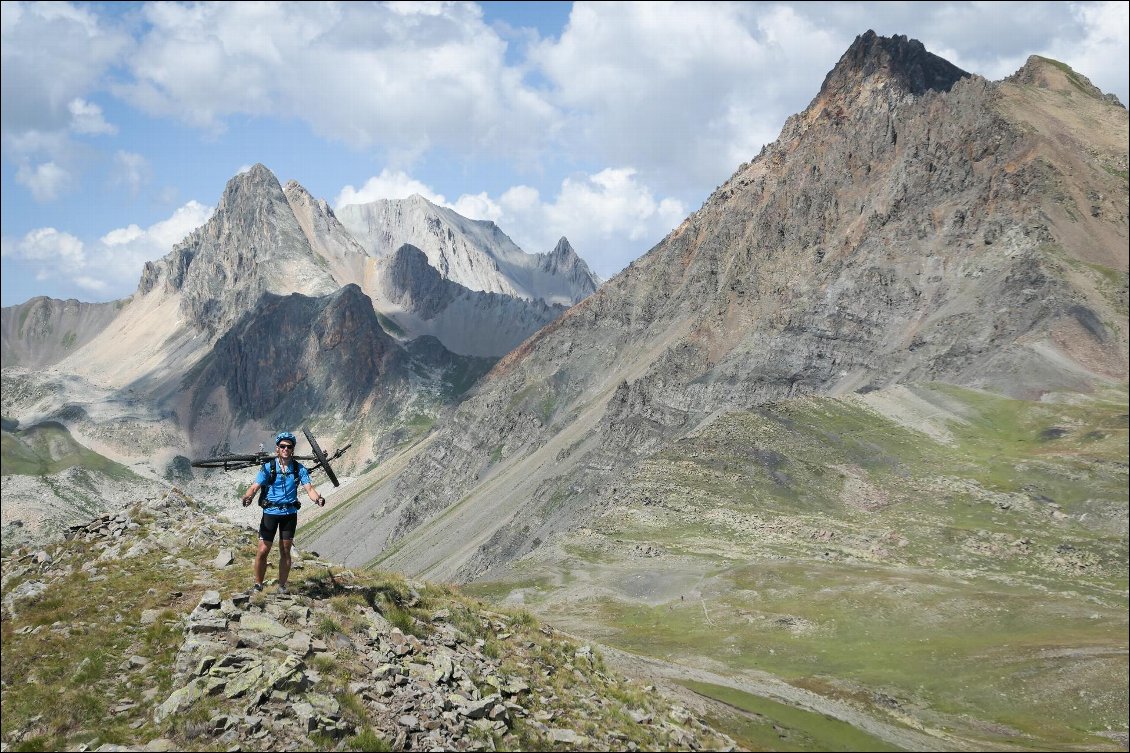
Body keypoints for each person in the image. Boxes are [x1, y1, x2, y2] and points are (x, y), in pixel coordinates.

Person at [240, 431, 326, 593]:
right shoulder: (268, 467)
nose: (285, 449)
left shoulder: (299, 469)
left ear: (293, 449)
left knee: (286, 550)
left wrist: (318, 499)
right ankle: (258, 584)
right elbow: (254, 487)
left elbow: (310, 489)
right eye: (282, 446)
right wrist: (248, 496)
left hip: (289, 514)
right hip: (270, 513)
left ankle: (282, 586)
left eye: (289, 446)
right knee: (263, 550)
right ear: (277, 449)